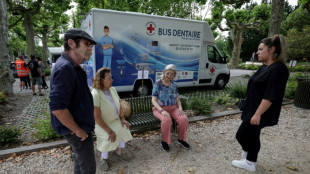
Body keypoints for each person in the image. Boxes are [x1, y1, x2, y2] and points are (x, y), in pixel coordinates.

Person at [231, 35, 289, 172]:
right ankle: (248, 157)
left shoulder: (278, 69)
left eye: (260, 49)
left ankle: (250, 162)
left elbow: (270, 96)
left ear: (272, 49)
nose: (257, 52)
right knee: (251, 135)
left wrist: (257, 114)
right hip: (252, 108)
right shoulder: (265, 67)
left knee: (243, 134)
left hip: (260, 111)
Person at [49, 28, 97, 174]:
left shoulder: (73, 67)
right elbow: (57, 108)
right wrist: (78, 131)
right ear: (71, 43)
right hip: (77, 130)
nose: (90, 48)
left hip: (80, 128)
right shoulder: (65, 68)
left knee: (80, 162)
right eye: (86, 44)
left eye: (91, 45)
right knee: (88, 170)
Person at [91, 68, 133, 171]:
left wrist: (122, 119)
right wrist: (109, 131)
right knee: (108, 137)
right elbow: (96, 116)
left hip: (114, 121)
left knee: (123, 129)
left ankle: (118, 152)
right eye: (109, 78)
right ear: (101, 80)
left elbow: (119, 105)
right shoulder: (95, 94)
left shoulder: (112, 90)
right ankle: (103, 158)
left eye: (111, 77)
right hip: (101, 124)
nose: (112, 80)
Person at [151, 64, 190, 152]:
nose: (169, 76)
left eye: (172, 74)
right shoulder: (158, 83)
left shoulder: (174, 85)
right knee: (167, 120)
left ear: (174, 75)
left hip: (173, 108)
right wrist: (162, 111)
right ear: (164, 73)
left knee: (184, 119)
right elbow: (154, 100)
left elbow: (177, 99)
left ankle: (181, 139)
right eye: (168, 73)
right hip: (159, 109)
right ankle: (164, 141)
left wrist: (180, 108)